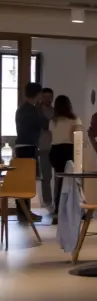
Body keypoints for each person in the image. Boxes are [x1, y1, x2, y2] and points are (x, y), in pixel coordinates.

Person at [13, 83, 46, 223]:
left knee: (22, 180)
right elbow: (43, 125)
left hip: (20, 146)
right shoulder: (32, 110)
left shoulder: (21, 109)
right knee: (27, 180)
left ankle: (22, 211)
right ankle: (25, 212)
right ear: (38, 94)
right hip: (28, 146)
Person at [48, 95, 82, 225]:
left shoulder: (53, 121)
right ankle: (75, 208)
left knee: (59, 181)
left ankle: (58, 210)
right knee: (73, 180)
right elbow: (76, 137)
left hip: (55, 151)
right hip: (69, 150)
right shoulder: (74, 119)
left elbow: (51, 137)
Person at [37, 87, 54, 209]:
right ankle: (47, 201)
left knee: (59, 175)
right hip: (43, 147)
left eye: (49, 97)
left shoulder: (56, 111)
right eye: (45, 97)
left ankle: (58, 201)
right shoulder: (36, 111)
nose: (47, 99)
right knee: (46, 176)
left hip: (56, 145)